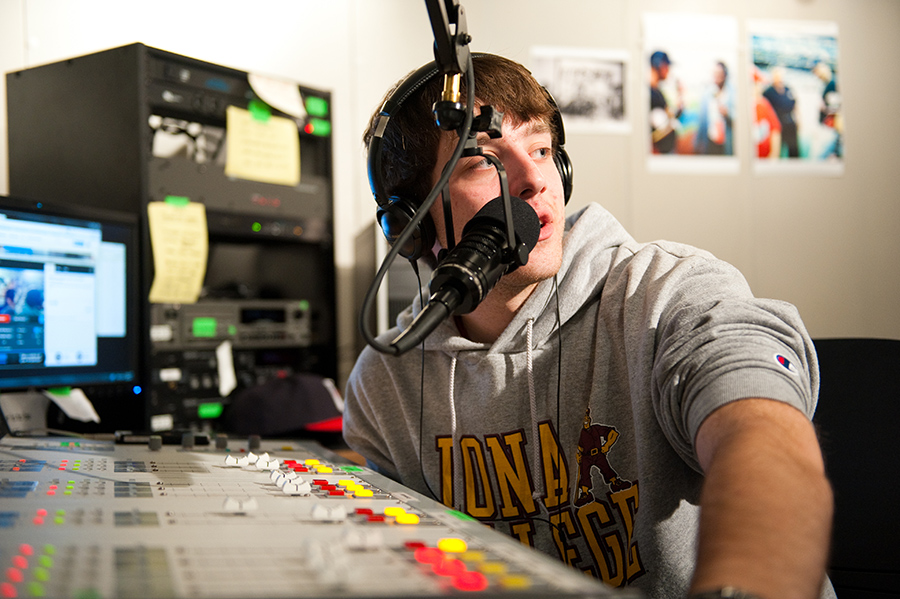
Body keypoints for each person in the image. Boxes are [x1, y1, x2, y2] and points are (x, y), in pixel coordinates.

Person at [345, 54, 834, 599]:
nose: (534, 181)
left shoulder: (665, 294)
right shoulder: (386, 379)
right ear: (410, 224)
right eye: (484, 161)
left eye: (541, 150)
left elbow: (763, 434)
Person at [694, 61, 734, 156]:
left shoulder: (732, 94)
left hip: (727, 144)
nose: (717, 77)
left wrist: (727, 114)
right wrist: (698, 143)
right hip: (711, 142)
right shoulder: (707, 95)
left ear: (725, 75)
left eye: (719, 73)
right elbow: (702, 121)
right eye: (715, 73)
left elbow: (739, 121)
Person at [649, 50, 682, 154]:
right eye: (667, 66)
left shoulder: (657, 92)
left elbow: (669, 115)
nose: (668, 71)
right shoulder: (649, 93)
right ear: (660, 66)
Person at [762, 66, 800, 158]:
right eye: (777, 76)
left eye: (781, 76)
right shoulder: (768, 92)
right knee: (777, 151)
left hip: (790, 123)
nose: (779, 78)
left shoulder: (788, 89)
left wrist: (798, 120)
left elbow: (795, 105)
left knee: (794, 150)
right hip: (777, 125)